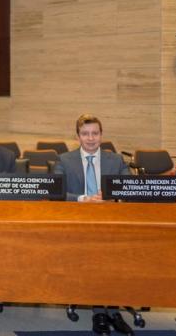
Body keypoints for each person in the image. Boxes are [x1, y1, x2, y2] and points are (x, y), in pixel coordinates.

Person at [54, 114, 133, 335]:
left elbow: (128, 187)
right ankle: (101, 312)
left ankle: (113, 311)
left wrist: (112, 196)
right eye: (86, 134)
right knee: (96, 254)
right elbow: (57, 192)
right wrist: (82, 199)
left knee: (117, 254)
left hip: (111, 223)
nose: (91, 138)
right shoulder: (64, 160)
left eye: (95, 133)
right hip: (78, 224)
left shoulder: (115, 160)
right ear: (77, 136)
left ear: (101, 135)